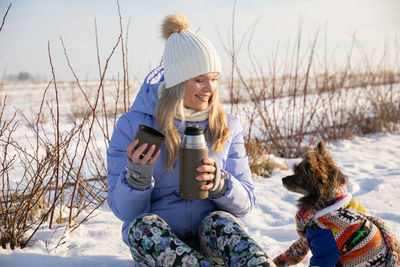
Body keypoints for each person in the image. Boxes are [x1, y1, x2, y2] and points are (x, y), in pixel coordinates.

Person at [107, 13, 275, 267]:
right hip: (161, 243)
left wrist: (222, 184)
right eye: (199, 80)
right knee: (141, 228)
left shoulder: (227, 125)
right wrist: (137, 177)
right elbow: (125, 213)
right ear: (176, 83)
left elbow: (245, 205)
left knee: (221, 222)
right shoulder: (132, 125)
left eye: (214, 78)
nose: (210, 88)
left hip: (211, 237)